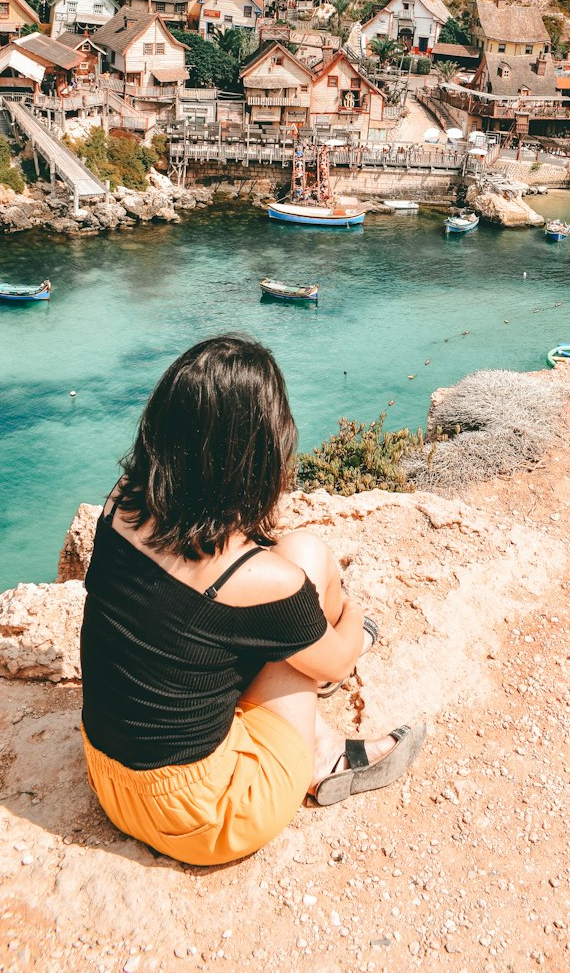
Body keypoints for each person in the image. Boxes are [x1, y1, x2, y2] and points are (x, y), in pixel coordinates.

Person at [79, 335, 424, 866]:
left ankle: (303, 666)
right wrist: (352, 615)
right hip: (206, 815)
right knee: (312, 584)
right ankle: (324, 752)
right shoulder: (253, 577)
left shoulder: (121, 503)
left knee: (297, 561)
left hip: (110, 779)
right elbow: (343, 657)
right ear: (258, 451)